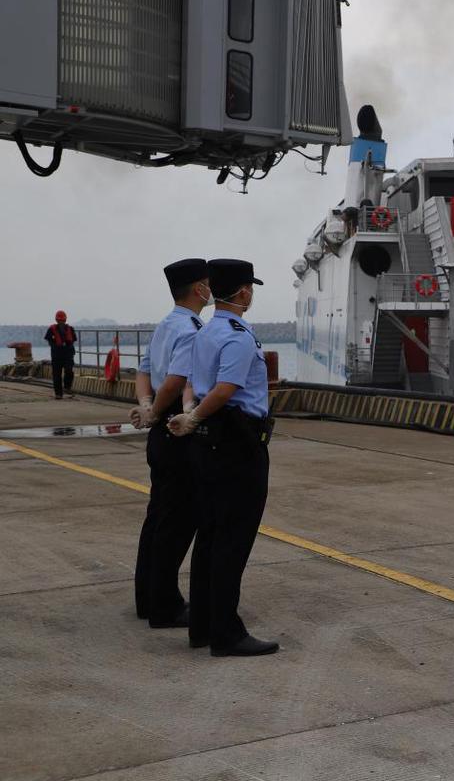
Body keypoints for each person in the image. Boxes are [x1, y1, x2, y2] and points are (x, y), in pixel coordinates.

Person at [168, 259, 276, 657]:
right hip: (237, 445)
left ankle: (202, 626)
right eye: (251, 287)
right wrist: (195, 415)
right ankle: (226, 633)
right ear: (244, 293)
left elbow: (194, 385)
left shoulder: (206, 332)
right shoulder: (238, 336)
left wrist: (192, 417)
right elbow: (228, 388)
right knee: (233, 539)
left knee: (210, 536)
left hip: (209, 446)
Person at [129, 259, 210, 627]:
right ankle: (166, 606)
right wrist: (158, 413)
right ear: (199, 289)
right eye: (207, 283)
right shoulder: (193, 329)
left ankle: (146, 597)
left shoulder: (166, 323)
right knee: (177, 522)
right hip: (176, 427)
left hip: (159, 432)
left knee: (157, 516)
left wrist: (146, 408)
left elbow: (143, 370)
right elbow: (176, 381)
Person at [43, 311, 77, 399]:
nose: (61, 322)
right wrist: (56, 345)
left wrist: (67, 345)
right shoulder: (51, 329)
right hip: (56, 355)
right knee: (56, 374)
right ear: (57, 320)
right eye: (60, 320)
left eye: (63, 320)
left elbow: (73, 340)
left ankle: (67, 387)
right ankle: (58, 393)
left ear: (65, 320)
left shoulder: (70, 329)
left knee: (69, 371)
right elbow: (49, 341)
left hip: (68, 354)